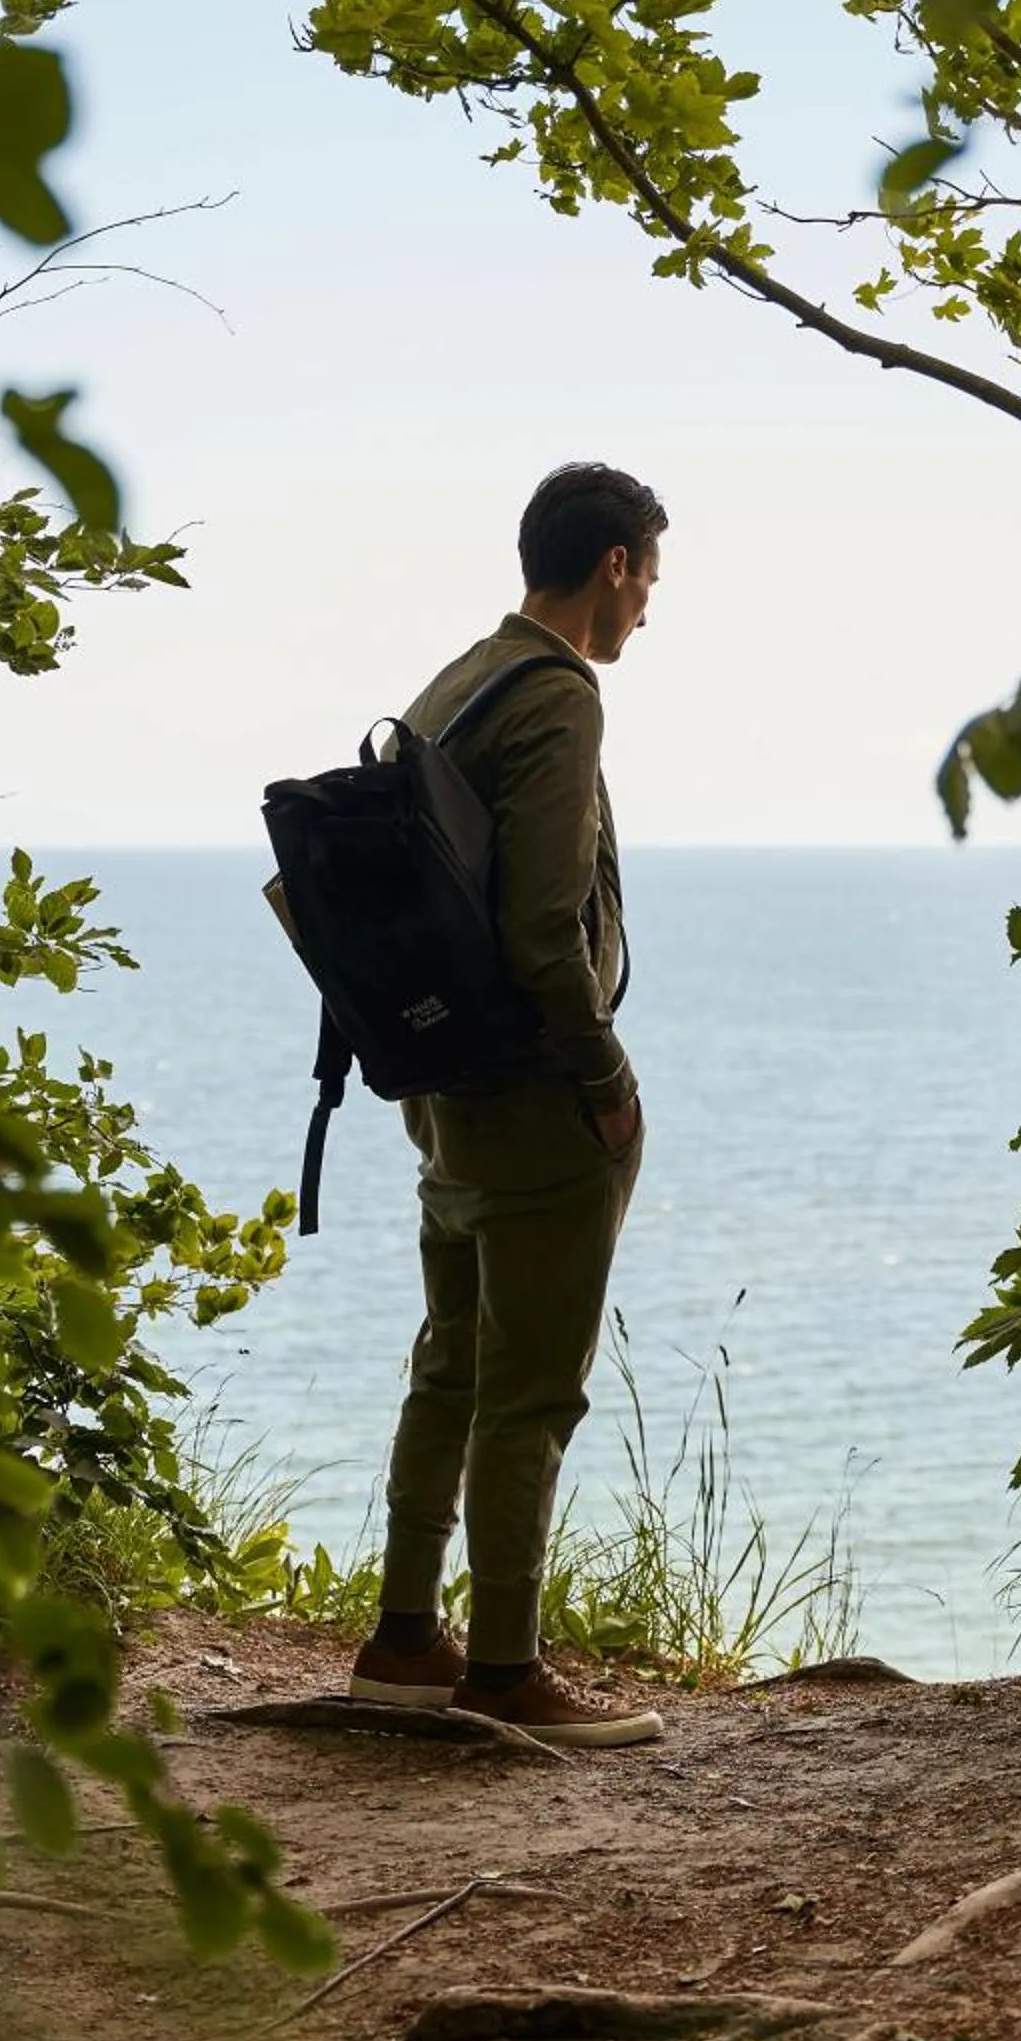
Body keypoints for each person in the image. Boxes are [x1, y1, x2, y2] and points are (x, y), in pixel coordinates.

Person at [343, 462, 667, 1749]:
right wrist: (607, 1081)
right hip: (535, 1094)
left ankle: (403, 1640)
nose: (648, 608)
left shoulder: (457, 680)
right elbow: (544, 929)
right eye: (649, 579)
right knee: (529, 1393)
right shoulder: (558, 696)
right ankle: (505, 1668)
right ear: (613, 567)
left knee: (451, 1367)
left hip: (445, 1089)